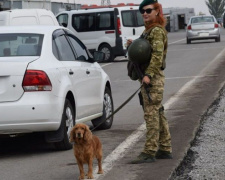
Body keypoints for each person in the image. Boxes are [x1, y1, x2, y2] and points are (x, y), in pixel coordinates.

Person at [127, 0, 172, 164]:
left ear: (157, 11)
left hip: (152, 80)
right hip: (150, 78)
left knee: (151, 115)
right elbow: (147, 51)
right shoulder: (149, 31)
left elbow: (157, 56)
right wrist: (134, 45)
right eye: (142, 11)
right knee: (158, 113)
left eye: (148, 10)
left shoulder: (157, 31)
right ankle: (165, 148)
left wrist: (149, 75)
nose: (145, 13)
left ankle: (149, 152)